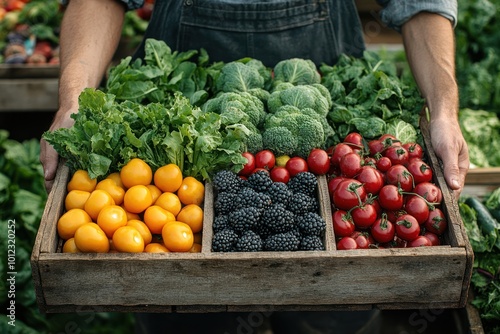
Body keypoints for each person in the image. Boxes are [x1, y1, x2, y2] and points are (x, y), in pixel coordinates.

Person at [39, 0, 469, 333]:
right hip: (195, 100)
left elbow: (421, 2)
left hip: (321, 95)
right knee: (180, 313)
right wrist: (73, 103)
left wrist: (444, 111)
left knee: (333, 316)